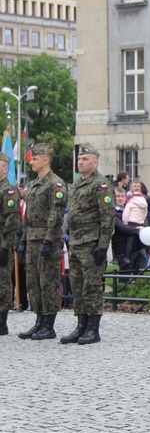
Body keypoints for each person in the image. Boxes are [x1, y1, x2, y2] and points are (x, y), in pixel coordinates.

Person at [62, 145, 115, 345]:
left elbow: (107, 216)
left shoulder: (101, 185)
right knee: (77, 285)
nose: (81, 162)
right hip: (75, 241)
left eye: (85, 159)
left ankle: (93, 328)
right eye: (79, 159)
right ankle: (81, 324)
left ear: (95, 162)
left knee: (91, 285)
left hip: (92, 242)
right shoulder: (76, 185)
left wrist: (102, 246)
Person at [17, 144, 67, 340]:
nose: (31, 161)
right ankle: (39, 320)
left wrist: (49, 240)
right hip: (32, 237)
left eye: (34, 159)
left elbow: (56, 215)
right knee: (33, 281)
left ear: (46, 160)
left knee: (48, 281)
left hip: (48, 238)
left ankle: (49, 323)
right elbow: (27, 215)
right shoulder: (32, 185)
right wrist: (22, 239)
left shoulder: (56, 184)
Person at [0, 153, 20, 335]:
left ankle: (2, 320)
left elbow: (12, 220)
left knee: (3, 281)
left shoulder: (8, 190)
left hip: (2, 241)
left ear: (5, 169)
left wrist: (6, 246)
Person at [112, 186, 145, 270]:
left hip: (138, 247)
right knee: (125, 277)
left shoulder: (131, 207)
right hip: (122, 248)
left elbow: (143, 219)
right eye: (117, 196)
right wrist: (137, 230)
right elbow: (121, 227)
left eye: (122, 196)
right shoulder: (111, 212)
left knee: (141, 276)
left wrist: (143, 226)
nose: (120, 198)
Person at [121, 179, 148, 265]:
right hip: (140, 222)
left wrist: (125, 222)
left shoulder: (131, 200)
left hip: (132, 222)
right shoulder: (144, 199)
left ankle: (126, 257)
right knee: (142, 240)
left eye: (138, 186)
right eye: (135, 186)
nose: (136, 187)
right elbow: (145, 211)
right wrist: (143, 220)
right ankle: (149, 250)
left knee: (130, 241)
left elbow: (126, 212)